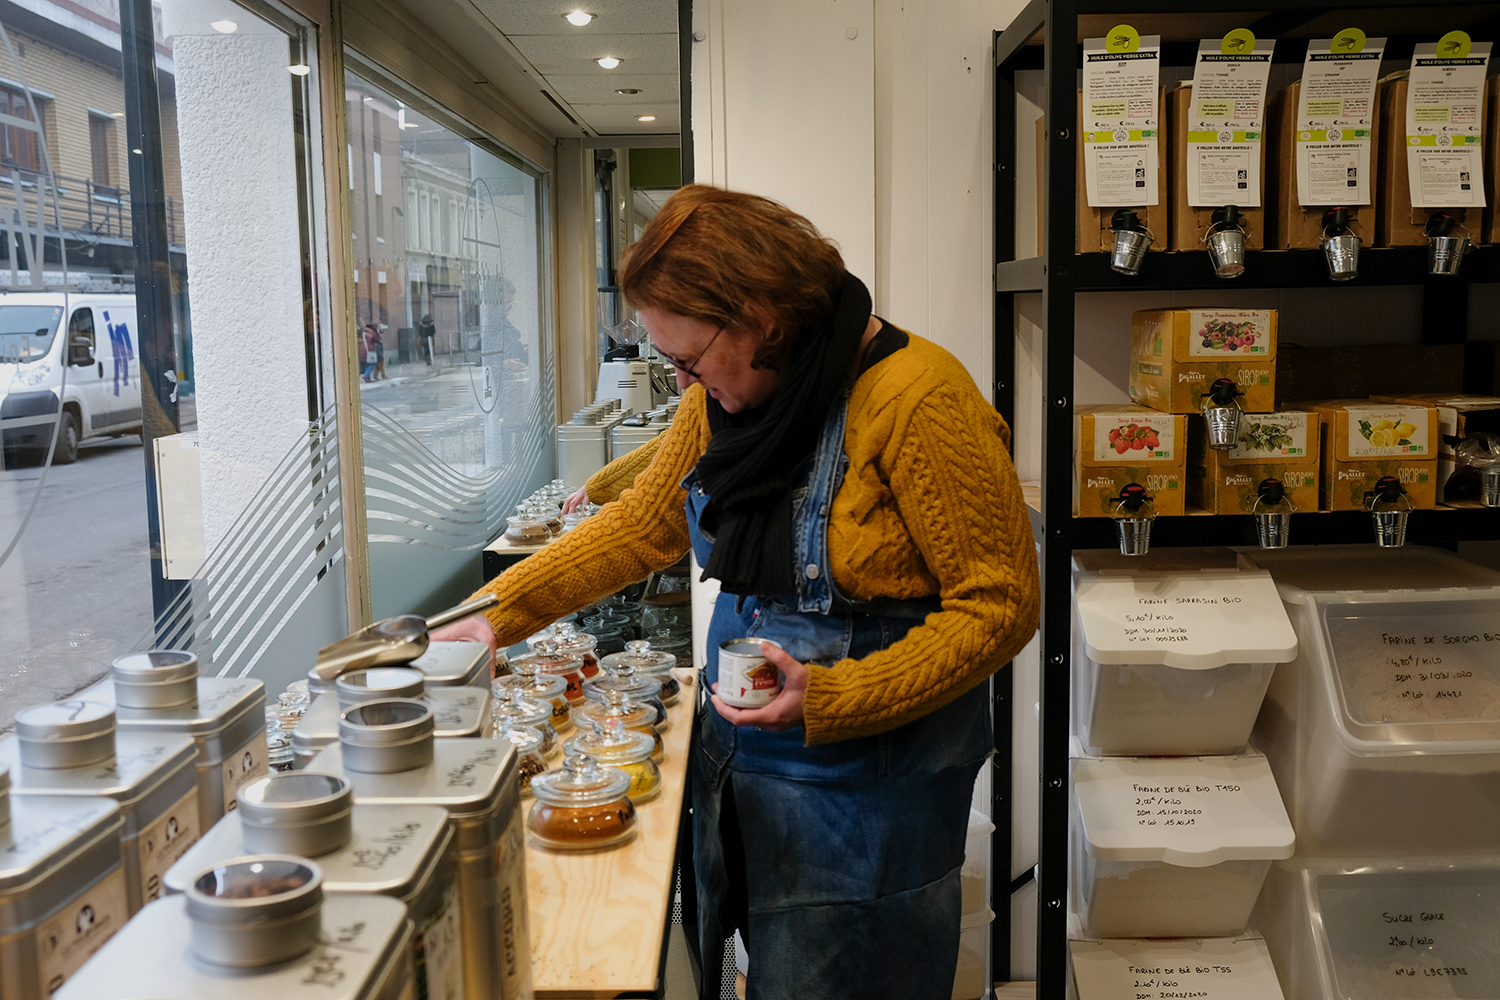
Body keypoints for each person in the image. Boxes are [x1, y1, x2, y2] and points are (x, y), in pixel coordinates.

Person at [434, 185, 1038, 999]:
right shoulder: (725, 400)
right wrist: (494, 617)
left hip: (869, 785)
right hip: (745, 757)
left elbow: (1000, 605)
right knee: (770, 968)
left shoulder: (919, 399)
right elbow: (647, 524)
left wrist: (835, 694)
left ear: (761, 317)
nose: (680, 378)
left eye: (687, 357)